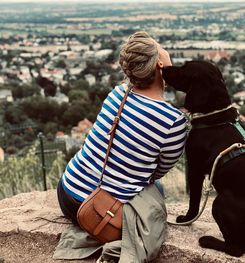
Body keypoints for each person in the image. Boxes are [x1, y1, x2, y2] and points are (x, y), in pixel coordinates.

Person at [56, 32, 187, 257]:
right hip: (97, 213)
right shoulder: (173, 121)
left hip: (67, 192)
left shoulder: (118, 94)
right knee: (157, 191)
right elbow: (158, 172)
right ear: (159, 65)